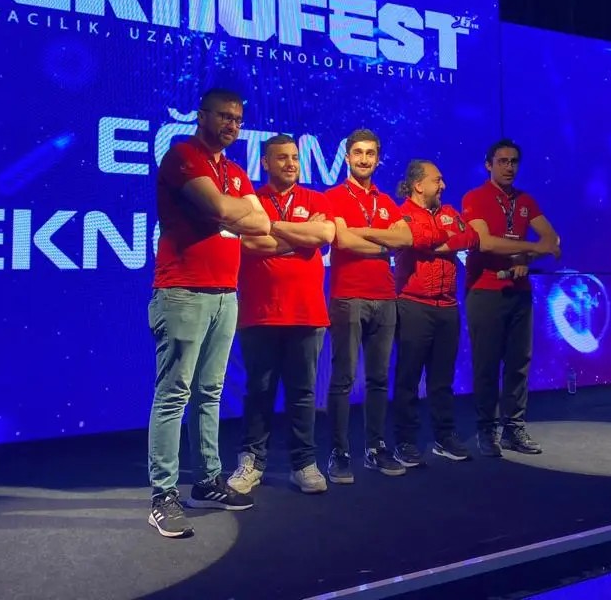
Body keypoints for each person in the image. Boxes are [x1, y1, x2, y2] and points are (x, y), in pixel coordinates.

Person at [147, 88, 270, 538]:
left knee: (210, 393)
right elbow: (220, 208)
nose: (232, 125)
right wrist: (234, 212)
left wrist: (236, 214)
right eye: (223, 116)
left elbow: (262, 223)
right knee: (173, 395)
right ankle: (163, 495)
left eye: (237, 119)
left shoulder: (234, 170)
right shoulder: (183, 156)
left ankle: (207, 481)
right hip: (182, 292)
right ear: (201, 116)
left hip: (225, 294)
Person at [225, 135, 335, 496]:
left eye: (295, 158)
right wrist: (301, 239)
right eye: (282, 158)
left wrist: (271, 228)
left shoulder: (316, 200)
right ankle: (252, 463)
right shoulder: (250, 203)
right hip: (260, 314)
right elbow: (247, 243)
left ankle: (303, 464)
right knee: (259, 391)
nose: (290, 164)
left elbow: (324, 233)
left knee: (302, 393)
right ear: (265, 163)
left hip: (307, 314)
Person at [323, 129, 417, 482]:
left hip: (385, 297)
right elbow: (343, 241)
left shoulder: (386, 200)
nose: (364, 159)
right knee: (343, 378)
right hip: (348, 296)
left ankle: (375, 448)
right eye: (358, 152)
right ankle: (339, 452)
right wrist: (382, 243)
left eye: (371, 153)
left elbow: (405, 238)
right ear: (347, 157)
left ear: (378, 159)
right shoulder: (333, 197)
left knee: (378, 379)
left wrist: (363, 234)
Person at [462, 139, 561, 458]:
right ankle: (487, 429)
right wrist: (531, 249)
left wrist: (524, 260)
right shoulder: (475, 198)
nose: (509, 167)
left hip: (519, 292)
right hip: (484, 291)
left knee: (519, 362)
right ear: (488, 164)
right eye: (502, 161)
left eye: (514, 161)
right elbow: (486, 243)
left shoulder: (525, 200)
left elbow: (552, 239)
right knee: (487, 364)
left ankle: (513, 427)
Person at [386, 160, 480, 467]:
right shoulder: (401, 215)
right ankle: (405, 441)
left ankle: (444, 436)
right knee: (408, 378)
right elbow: (414, 237)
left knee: (442, 379)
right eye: (437, 180)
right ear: (418, 185)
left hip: (448, 306)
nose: (443, 186)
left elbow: (470, 237)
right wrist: (444, 236)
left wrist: (435, 242)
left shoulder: (449, 212)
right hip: (413, 305)